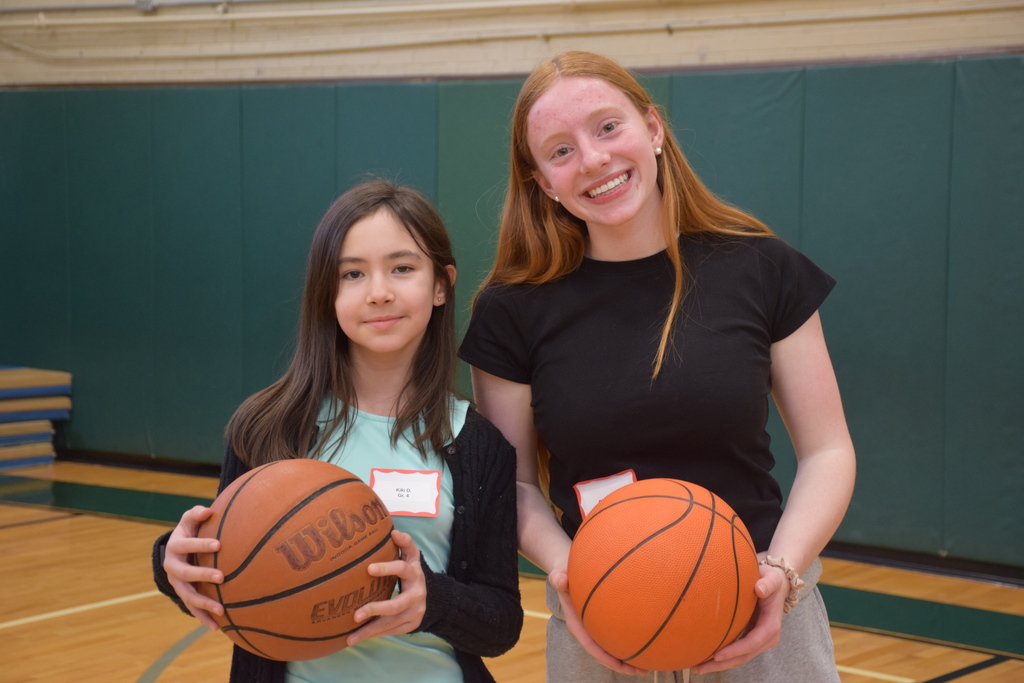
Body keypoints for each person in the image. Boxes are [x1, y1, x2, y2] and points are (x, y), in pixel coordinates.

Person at [459, 51, 856, 682]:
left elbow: (829, 451)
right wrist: (575, 582)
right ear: (541, 182)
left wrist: (781, 572)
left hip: (762, 609)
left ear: (653, 128)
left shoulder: (762, 268)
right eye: (559, 151)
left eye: (607, 127)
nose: (592, 159)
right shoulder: (512, 310)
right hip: (600, 622)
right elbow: (516, 487)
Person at [152, 179, 523, 683]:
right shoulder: (268, 427)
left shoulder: (480, 447)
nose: (379, 292)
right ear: (327, 293)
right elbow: (223, 566)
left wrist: (431, 601)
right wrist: (171, 562)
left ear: (441, 285)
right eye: (352, 273)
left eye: (403, 268)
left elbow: (501, 622)